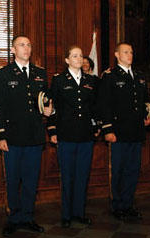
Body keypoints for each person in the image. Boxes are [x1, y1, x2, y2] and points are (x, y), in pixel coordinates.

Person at [0, 35, 53, 237]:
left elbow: (45, 101)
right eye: (21, 45)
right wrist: (0, 136)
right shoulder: (3, 73)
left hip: (34, 135)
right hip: (12, 136)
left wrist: (49, 111)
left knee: (31, 179)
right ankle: (13, 218)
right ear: (12, 49)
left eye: (28, 45)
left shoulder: (40, 73)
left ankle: (27, 216)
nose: (26, 48)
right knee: (12, 179)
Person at [98, 42, 150, 221]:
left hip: (136, 131)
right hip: (118, 132)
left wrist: (148, 115)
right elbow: (104, 106)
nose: (129, 55)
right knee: (119, 170)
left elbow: (144, 102)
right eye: (125, 52)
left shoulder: (139, 76)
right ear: (116, 55)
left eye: (131, 52)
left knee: (133, 170)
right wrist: (107, 129)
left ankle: (128, 204)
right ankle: (117, 205)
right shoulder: (110, 76)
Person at [47, 46, 99, 228]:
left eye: (81, 56)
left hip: (85, 135)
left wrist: (96, 127)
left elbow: (95, 107)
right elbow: (52, 107)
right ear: (67, 60)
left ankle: (79, 212)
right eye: (74, 56)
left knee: (82, 176)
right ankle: (66, 214)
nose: (79, 58)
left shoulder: (91, 80)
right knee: (67, 176)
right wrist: (52, 130)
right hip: (66, 134)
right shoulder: (59, 80)